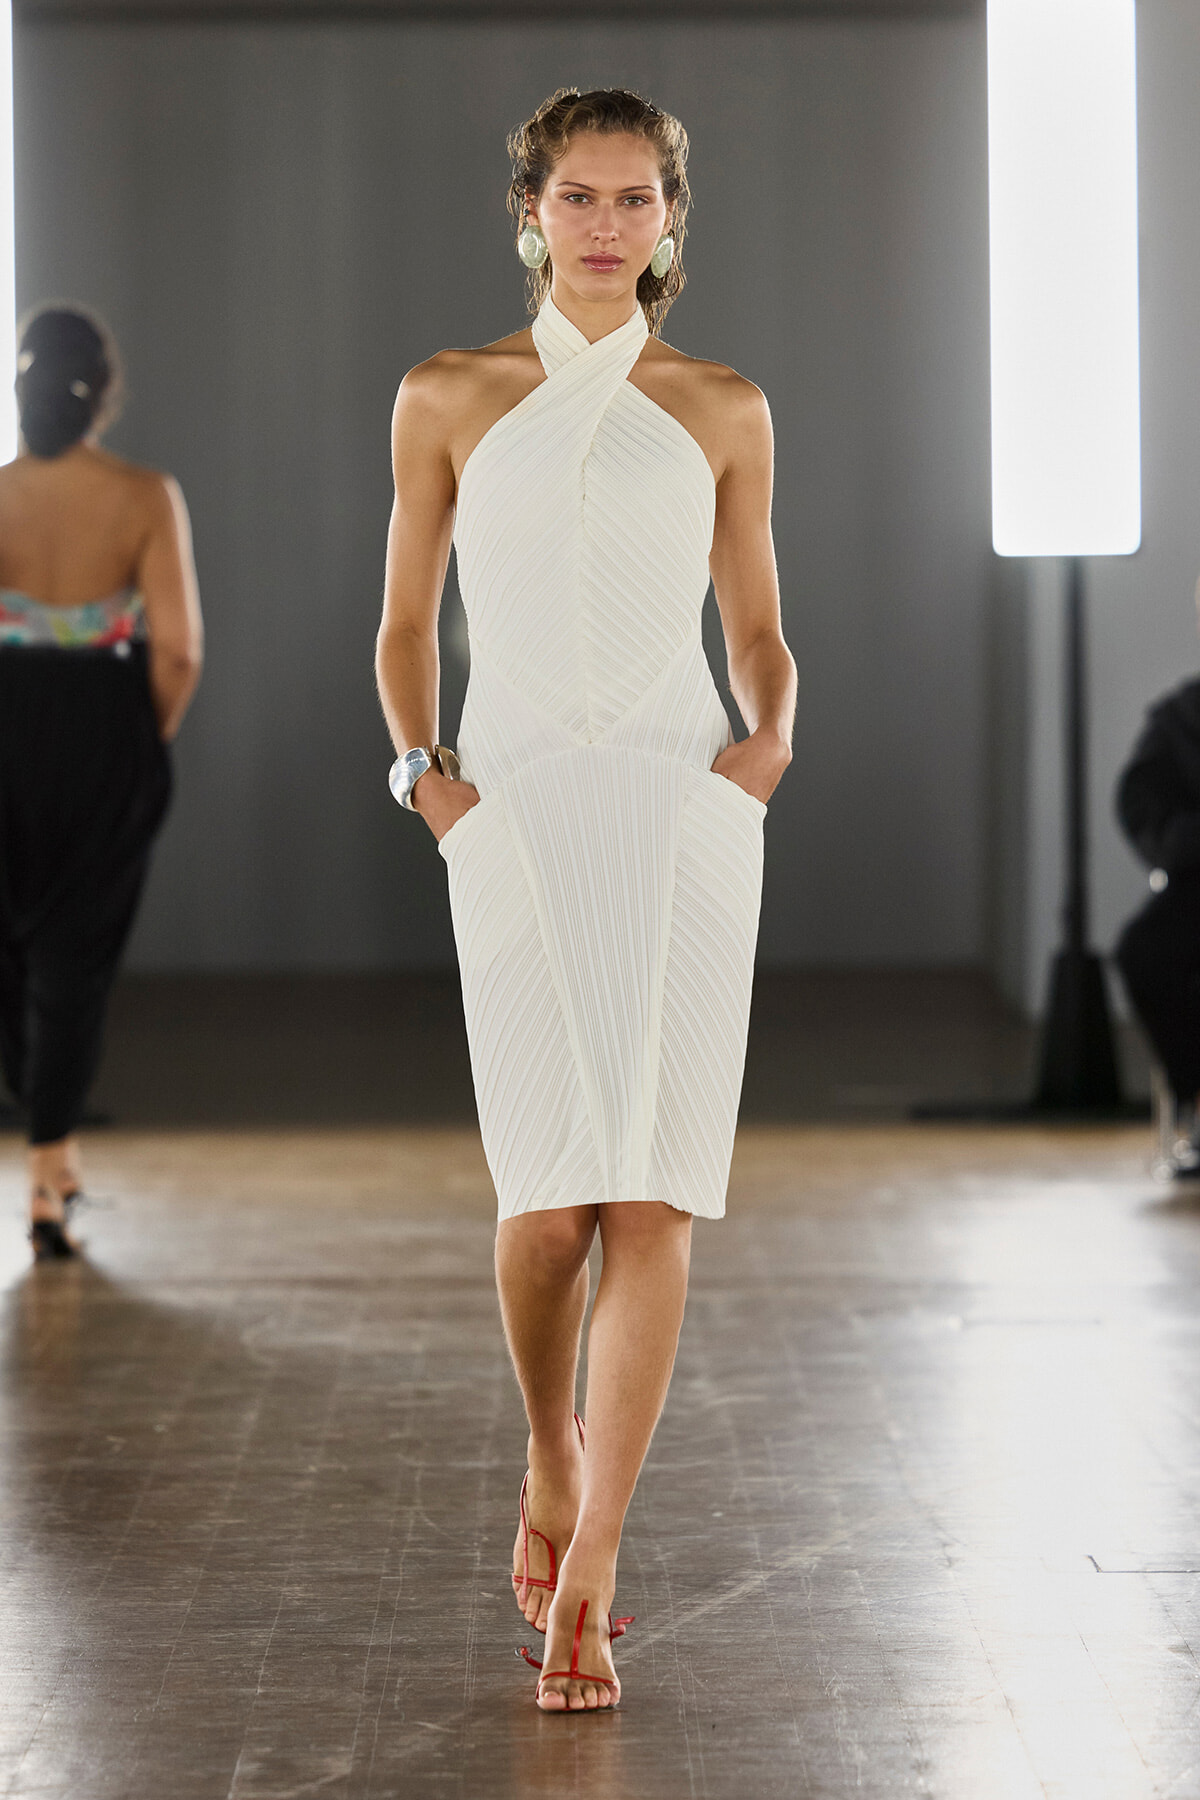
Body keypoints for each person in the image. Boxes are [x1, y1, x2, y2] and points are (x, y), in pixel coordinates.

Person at [376, 87, 796, 1710]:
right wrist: (424, 771)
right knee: (549, 1209)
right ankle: (550, 1450)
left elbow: (757, 627)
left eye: (636, 199)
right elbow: (405, 620)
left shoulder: (728, 406)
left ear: (671, 220)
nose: (607, 224)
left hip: (686, 813)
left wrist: (768, 741)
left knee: (655, 1199)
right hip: (520, 810)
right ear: (530, 211)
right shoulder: (446, 393)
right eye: (579, 196)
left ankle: (600, 1553)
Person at [0, 304, 203, 1257]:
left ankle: (44, 1141)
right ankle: (50, 1173)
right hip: (103, 739)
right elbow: (180, 654)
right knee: (75, 963)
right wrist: (137, 748)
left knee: (12, 952)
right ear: (103, 395)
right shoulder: (144, 494)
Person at [1115, 580, 1200, 1176]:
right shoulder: (1185, 715)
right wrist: (1183, 839)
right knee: (1146, 952)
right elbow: (1141, 796)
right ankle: (1196, 1097)